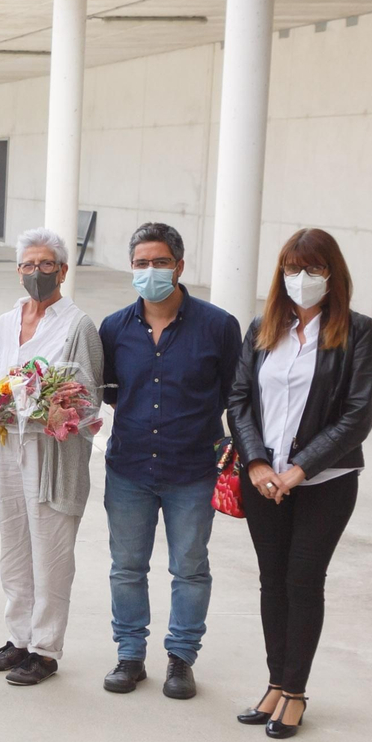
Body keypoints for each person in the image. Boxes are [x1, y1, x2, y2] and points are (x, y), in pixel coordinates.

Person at [226, 228, 372, 739]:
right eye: (292, 269)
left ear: (332, 275)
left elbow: (358, 413)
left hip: (325, 482)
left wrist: (300, 468)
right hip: (262, 480)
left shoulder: (356, 331)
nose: (300, 279)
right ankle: (274, 683)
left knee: (302, 581)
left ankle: (295, 692)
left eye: (312, 269)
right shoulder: (263, 327)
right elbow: (239, 399)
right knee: (272, 582)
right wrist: (256, 463)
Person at [96, 222, 240, 700]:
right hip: (130, 467)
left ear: (180, 266)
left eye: (160, 262)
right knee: (127, 567)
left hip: (192, 470)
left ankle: (181, 658)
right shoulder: (115, 328)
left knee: (190, 568)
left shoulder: (218, 326)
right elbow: (111, 393)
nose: (150, 271)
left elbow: (234, 396)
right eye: (141, 263)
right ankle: (130, 655)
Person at [0, 227, 103, 686]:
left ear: (63, 271)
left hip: (52, 453)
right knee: (14, 546)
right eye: (28, 265)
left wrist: (54, 403)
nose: (37, 272)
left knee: (50, 552)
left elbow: (90, 399)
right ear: (18, 270)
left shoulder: (78, 325)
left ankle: (45, 650)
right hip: (8, 444)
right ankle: (19, 639)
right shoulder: (7, 321)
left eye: (47, 264)